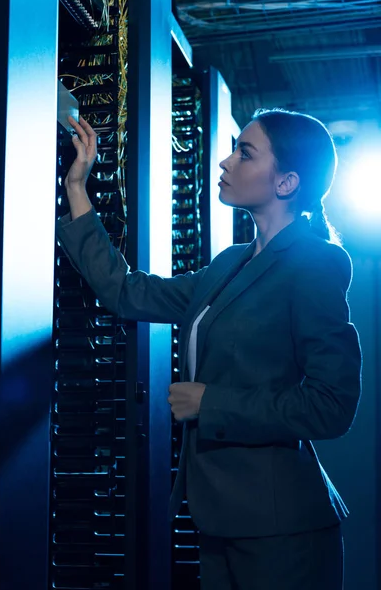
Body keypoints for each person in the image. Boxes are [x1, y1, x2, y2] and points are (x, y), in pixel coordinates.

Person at [56, 109, 362, 590]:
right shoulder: (229, 265)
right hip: (219, 519)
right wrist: (78, 187)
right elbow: (125, 292)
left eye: (245, 153)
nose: (225, 162)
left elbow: (332, 406)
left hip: (282, 532)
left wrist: (209, 401)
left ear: (285, 184)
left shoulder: (317, 264)